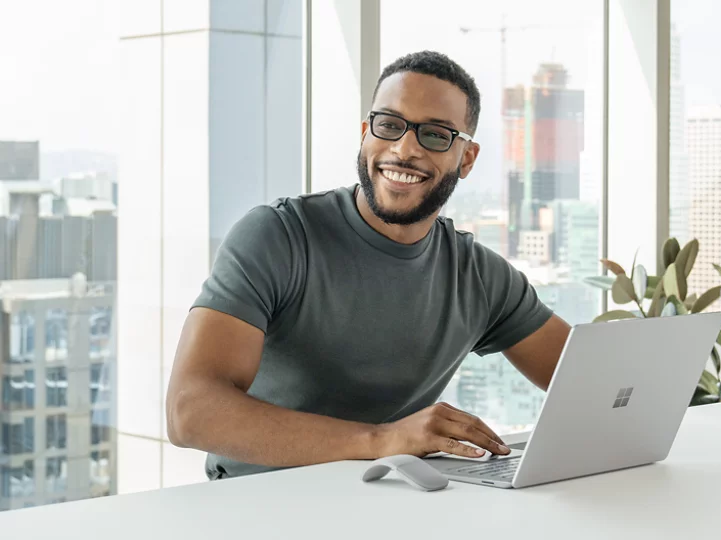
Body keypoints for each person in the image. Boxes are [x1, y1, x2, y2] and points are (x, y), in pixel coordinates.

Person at [166, 50, 572, 480]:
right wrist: (381, 441)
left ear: (466, 159)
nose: (404, 149)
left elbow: (591, 384)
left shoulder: (480, 276)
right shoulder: (278, 237)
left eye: (435, 135)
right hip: (256, 508)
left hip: (393, 504)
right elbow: (189, 411)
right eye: (390, 125)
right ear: (365, 133)